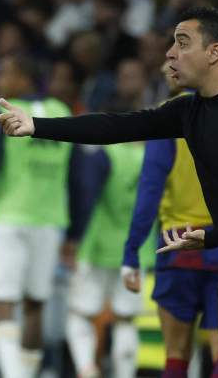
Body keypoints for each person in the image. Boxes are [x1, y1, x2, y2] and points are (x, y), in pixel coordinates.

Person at [0, 6, 218, 378]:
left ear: (215, 52)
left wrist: (212, 235)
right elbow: (117, 126)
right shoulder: (190, 110)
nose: (170, 53)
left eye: (182, 43)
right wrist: (36, 125)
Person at [0, 55, 79, 378]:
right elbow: (77, 178)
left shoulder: (6, 111)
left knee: (3, 301)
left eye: (5, 73)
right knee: (35, 303)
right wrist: (75, 229)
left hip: (9, 217)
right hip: (50, 220)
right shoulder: (62, 111)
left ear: (23, 77)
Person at [121, 60, 218, 378]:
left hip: (177, 246)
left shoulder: (167, 117)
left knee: (177, 354)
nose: (168, 67)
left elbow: (149, 191)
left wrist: (131, 253)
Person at [64, 60, 152, 378]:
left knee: (79, 313)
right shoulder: (151, 154)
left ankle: (88, 369)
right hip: (137, 250)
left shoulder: (104, 154)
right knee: (127, 319)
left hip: (98, 245)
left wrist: (74, 238)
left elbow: (86, 196)